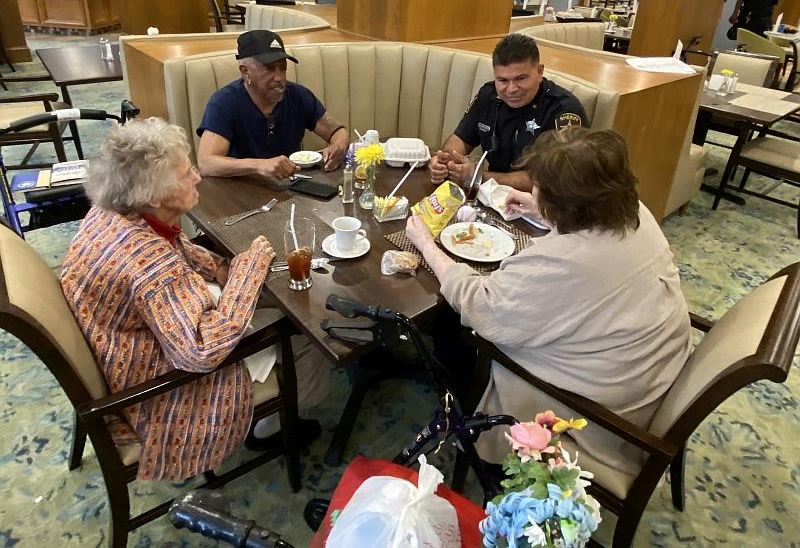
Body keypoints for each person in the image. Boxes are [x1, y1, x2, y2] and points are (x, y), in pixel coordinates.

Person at [407, 127, 692, 475]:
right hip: (648, 368)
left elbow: (480, 304)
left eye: (538, 188)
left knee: (456, 328)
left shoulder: (567, 261)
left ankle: (467, 420)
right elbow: (592, 245)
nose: (533, 191)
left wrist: (426, 244)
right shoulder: (635, 212)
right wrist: (542, 210)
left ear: (566, 203)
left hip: (599, 413)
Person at [61, 118, 328, 481]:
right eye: (187, 174)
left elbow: (173, 245)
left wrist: (218, 266)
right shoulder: (148, 263)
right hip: (158, 382)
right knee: (307, 330)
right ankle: (271, 427)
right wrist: (248, 268)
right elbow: (201, 351)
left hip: (124, 341)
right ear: (154, 195)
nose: (197, 177)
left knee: (264, 296)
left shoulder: (114, 210)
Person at [428, 34, 587, 192]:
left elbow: (554, 179)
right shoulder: (488, 95)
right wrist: (446, 161)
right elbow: (461, 138)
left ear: (540, 72)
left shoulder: (564, 110)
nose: (511, 89)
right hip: (490, 197)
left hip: (539, 203)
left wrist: (479, 176)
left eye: (521, 79)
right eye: (503, 80)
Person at [196, 29, 349, 179]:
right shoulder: (224, 103)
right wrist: (259, 165)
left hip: (291, 185)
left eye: (282, 68)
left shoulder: (298, 95)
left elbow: (337, 132)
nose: (279, 77)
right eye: (269, 68)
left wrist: (338, 146)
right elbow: (206, 163)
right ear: (245, 72)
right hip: (241, 188)